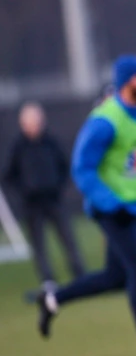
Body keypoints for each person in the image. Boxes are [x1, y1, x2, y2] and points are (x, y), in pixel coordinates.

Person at [36, 55, 136, 356]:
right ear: (127, 83)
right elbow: (82, 169)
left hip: (133, 204)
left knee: (116, 277)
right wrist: (111, 204)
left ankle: (52, 300)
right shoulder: (105, 120)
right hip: (110, 209)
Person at [3, 102, 86, 289]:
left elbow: (64, 165)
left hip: (53, 199)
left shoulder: (51, 142)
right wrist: (24, 192)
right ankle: (48, 280)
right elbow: (9, 175)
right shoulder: (18, 147)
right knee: (39, 245)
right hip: (32, 204)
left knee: (68, 239)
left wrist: (58, 186)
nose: (34, 125)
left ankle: (80, 274)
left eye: (37, 120)